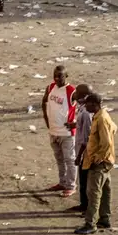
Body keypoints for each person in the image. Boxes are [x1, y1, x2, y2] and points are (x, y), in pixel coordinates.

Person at [75, 92, 116, 235]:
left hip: (99, 162)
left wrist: (98, 157)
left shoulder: (101, 119)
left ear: (94, 104)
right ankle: (104, 218)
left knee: (93, 193)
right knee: (105, 190)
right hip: (106, 160)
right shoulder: (102, 116)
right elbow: (114, 129)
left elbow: (106, 142)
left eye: (87, 103)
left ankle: (90, 223)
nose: (85, 106)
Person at [41, 66, 79, 197]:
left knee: (70, 159)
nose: (57, 79)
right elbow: (44, 101)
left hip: (67, 134)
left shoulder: (72, 91)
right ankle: (62, 182)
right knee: (59, 159)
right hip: (53, 131)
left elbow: (87, 108)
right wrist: (46, 120)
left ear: (66, 76)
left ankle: (71, 185)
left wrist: (76, 123)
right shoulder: (50, 87)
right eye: (55, 76)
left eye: (60, 76)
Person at [68, 84, 94, 212]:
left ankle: (86, 207)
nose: (75, 94)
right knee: (84, 181)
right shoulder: (84, 109)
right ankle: (84, 205)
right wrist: (74, 124)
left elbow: (87, 137)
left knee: (85, 181)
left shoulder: (86, 112)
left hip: (85, 153)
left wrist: (79, 156)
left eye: (77, 92)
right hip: (83, 150)